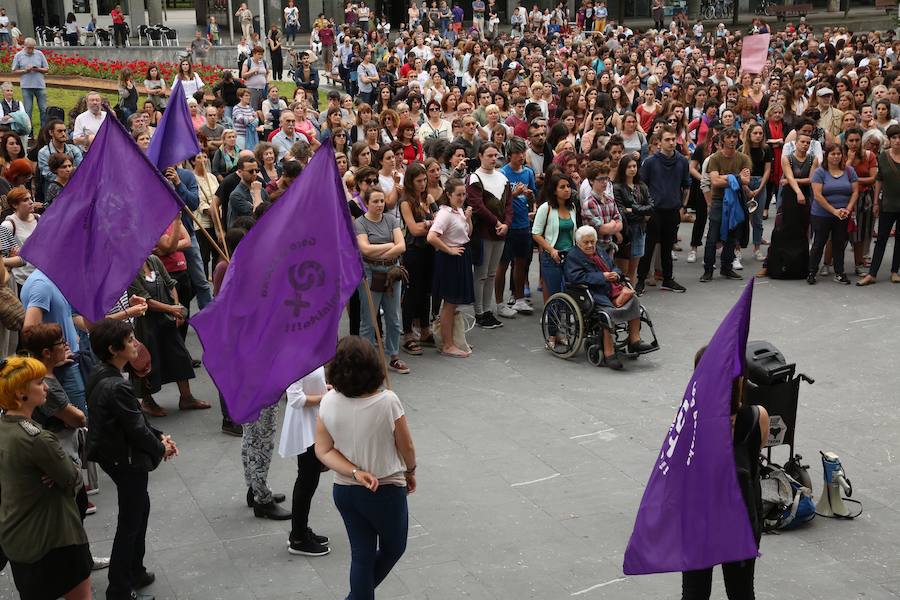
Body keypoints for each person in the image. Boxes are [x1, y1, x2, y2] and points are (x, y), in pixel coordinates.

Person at [315, 335, 417, 600]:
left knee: (362, 556)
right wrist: (411, 470)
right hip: (383, 490)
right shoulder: (388, 401)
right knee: (394, 548)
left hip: (346, 492)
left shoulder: (327, 401)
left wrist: (354, 472)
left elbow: (323, 450)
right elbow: (406, 446)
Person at [86, 318, 178, 600]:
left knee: (139, 511)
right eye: (129, 341)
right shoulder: (117, 385)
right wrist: (161, 447)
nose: (136, 344)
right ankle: (119, 589)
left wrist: (159, 436)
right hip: (123, 460)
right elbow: (136, 429)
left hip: (114, 456)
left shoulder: (103, 374)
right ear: (114, 350)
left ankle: (134, 571)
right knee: (130, 522)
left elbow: (134, 421)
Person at [0, 356, 92, 600]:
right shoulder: (37, 439)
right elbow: (72, 479)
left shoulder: (4, 427)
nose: (47, 387)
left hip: (17, 538)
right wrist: (69, 466)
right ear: (21, 393)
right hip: (55, 537)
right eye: (40, 382)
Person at [681, 346, 768, 600]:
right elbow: (756, 450)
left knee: (694, 594)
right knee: (742, 593)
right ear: (742, 379)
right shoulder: (758, 417)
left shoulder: (690, 422)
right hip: (741, 522)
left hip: (699, 522)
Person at [563, 226, 653, 369]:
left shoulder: (599, 250)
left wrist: (616, 274)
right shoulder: (574, 256)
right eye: (586, 242)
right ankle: (609, 353)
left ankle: (635, 340)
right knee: (607, 314)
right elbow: (575, 277)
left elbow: (613, 266)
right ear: (578, 243)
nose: (590, 245)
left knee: (634, 300)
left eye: (592, 241)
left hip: (611, 288)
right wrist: (602, 277)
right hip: (592, 292)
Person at [355, 186, 409, 374]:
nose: (379, 205)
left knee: (394, 318)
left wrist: (380, 250)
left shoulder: (391, 219)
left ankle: (393, 356)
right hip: (370, 273)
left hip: (392, 272)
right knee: (369, 319)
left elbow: (402, 246)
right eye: (375, 201)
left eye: (381, 201)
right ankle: (365, 360)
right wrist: (389, 245)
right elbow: (365, 250)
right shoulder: (360, 223)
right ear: (367, 203)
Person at [279, 366, 331, 556]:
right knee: (307, 480)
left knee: (310, 479)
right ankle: (298, 538)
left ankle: (300, 530)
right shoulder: (296, 358)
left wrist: (325, 388)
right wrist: (324, 398)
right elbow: (295, 399)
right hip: (305, 428)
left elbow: (311, 384)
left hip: (312, 423)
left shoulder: (311, 353)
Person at [637, 126, 689, 294]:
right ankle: (640, 281)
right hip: (654, 211)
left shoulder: (682, 161)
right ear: (658, 143)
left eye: (673, 139)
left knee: (668, 247)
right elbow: (641, 187)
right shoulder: (650, 162)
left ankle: (668, 279)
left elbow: (686, 187)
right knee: (649, 247)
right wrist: (645, 210)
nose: (671, 142)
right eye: (667, 139)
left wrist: (682, 207)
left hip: (672, 210)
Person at [427, 178, 475, 357]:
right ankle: (447, 345)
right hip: (450, 261)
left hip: (461, 257)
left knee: (454, 304)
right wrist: (450, 250)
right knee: (449, 303)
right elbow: (431, 237)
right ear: (448, 195)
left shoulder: (459, 211)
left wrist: (468, 219)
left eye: (464, 194)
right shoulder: (444, 214)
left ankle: (453, 340)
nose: (462, 198)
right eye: (458, 195)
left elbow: (467, 233)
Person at [467, 143, 511, 329]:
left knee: (492, 273)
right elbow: (477, 206)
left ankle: (488, 310)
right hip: (484, 232)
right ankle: (479, 312)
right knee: (482, 274)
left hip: (500, 232)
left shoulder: (502, 177)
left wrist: (506, 224)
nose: (493, 159)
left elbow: (509, 204)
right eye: (489, 155)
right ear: (480, 156)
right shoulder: (475, 178)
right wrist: (497, 223)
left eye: (496, 155)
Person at [701, 128, 750, 283]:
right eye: (729, 137)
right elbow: (714, 181)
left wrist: (725, 177)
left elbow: (746, 181)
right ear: (722, 141)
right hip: (718, 201)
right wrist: (735, 177)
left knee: (732, 235)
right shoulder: (715, 158)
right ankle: (708, 270)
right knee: (712, 237)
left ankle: (726, 268)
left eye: (735, 137)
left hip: (737, 200)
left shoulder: (743, 158)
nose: (732, 140)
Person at [808, 142, 858, 285]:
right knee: (819, 243)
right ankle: (812, 271)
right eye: (832, 154)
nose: (836, 157)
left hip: (842, 214)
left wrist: (847, 209)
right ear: (827, 155)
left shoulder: (849, 171)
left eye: (838, 154)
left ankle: (839, 272)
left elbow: (855, 191)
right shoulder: (820, 172)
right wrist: (834, 211)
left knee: (839, 243)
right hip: (822, 214)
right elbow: (818, 195)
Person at [858, 124, 900, 286]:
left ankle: (895, 271)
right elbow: (879, 180)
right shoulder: (883, 156)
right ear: (889, 140)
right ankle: (872, 273)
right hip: (887, 204)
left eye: (899, 137)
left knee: (899, 239)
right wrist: (876, 202)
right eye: (894, 138)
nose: (897, 141)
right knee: (881, 238)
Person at [11, 39, 49, 133]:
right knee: (28, 110)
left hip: (40, 85)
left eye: (33, 48)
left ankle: (43, 131)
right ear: (24, 46)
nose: (31, 50)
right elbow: (14, 71)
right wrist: (25, 71)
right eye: (29, 48)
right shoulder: (19, 55)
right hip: (26, 86)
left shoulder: (39, 54)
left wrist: (38, 69)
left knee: (43, 109)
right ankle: (29, 131)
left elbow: (47, 69)